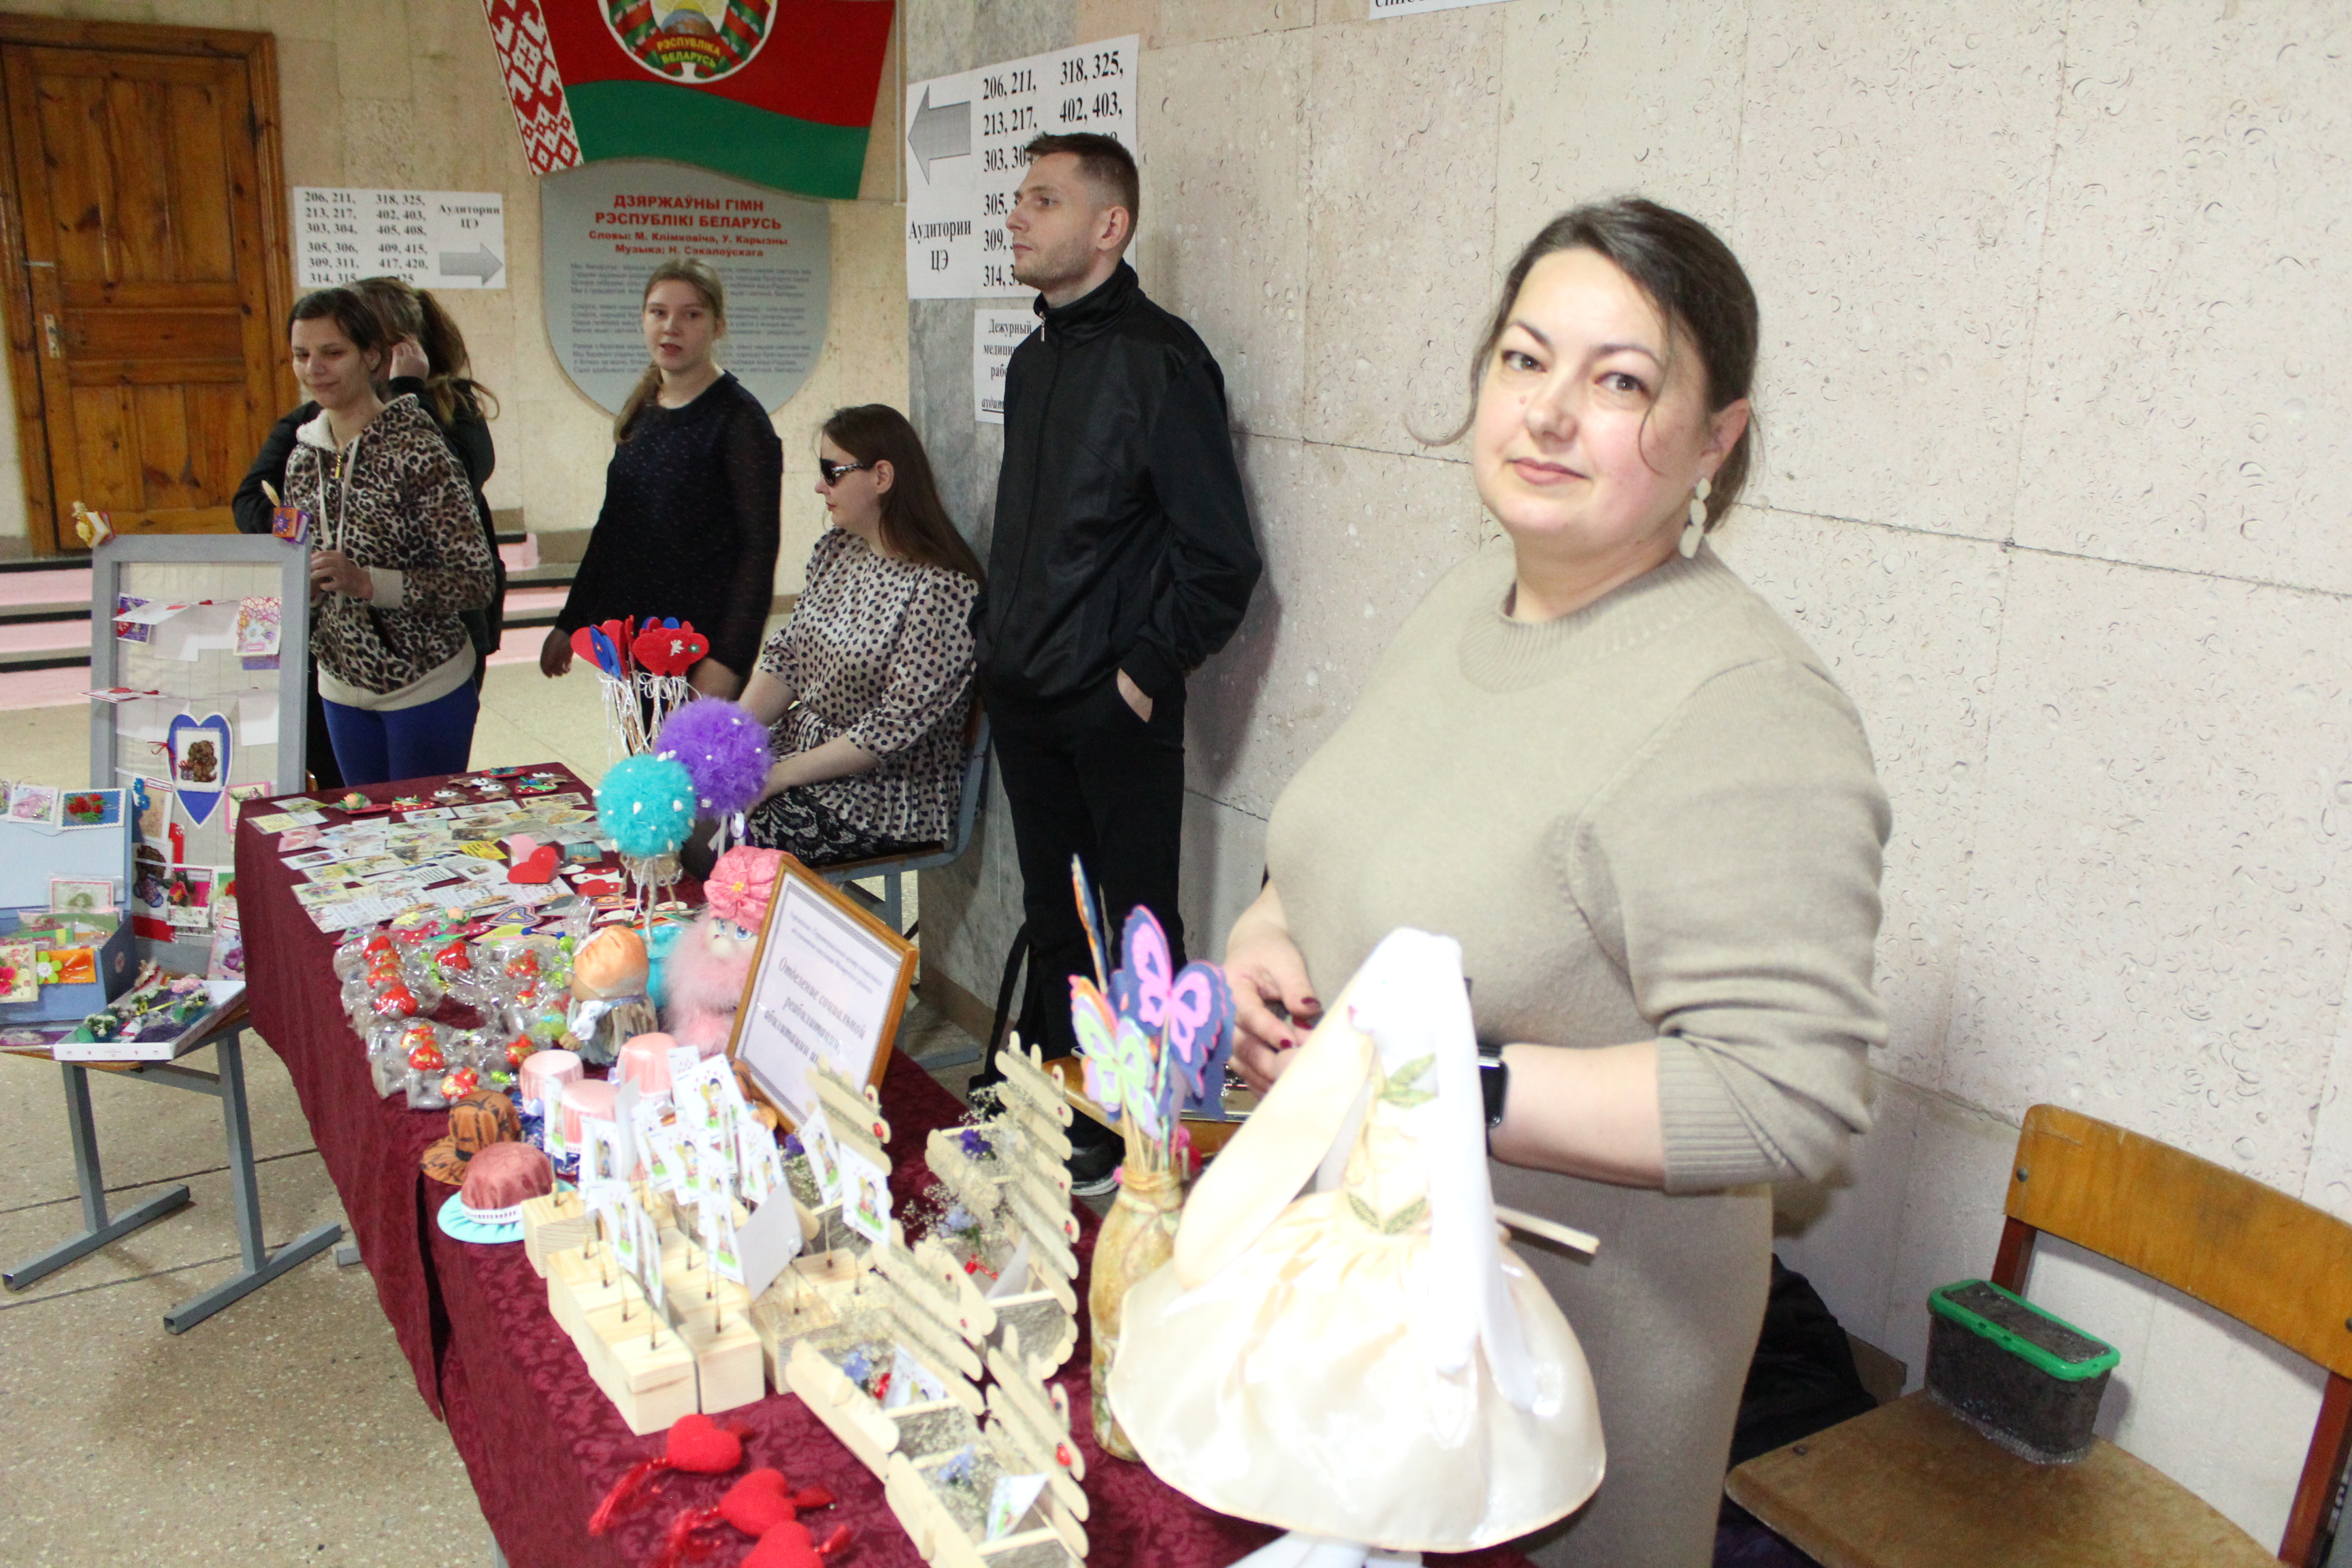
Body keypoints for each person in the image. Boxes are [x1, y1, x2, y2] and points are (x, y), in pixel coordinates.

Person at [1220, 200, 1889, 1568]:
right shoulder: (1470, 599)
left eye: (1621, 381)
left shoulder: (1742, 701)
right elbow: (1348, 845)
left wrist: (1445, 1083)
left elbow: (1788, 1095)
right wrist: (1266, 934)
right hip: (1367, 1290)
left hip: (1560, 1362)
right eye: (1524, 359)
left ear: (1716, 438)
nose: (1549, 412)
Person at [976, 131, 1261, 1188]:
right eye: (1019, 198)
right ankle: (1070, 1097)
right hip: (1023, 693)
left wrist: (1139, 675)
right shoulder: (1032, 358)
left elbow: (1221, 558)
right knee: (1056, 917)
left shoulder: (1163, 361)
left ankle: (1138, 1126)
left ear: (1110, 225)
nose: (1016, 216)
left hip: (1111, 704)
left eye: (1043, 200)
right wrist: (994, 641)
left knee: (1133, 926)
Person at [234, 278, 503, 781]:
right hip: (338, 689)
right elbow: (281, 539)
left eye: (332, 353)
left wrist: (367, 583)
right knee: (360, 823)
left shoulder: (420, 448)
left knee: (417, 825)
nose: (314, 369)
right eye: (301, 355)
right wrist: (305, 589)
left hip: (424, 686)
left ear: (373, 357)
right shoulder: (301, 457)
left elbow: (474, 581)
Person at [730, 404, 982, 866]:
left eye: (833, 472)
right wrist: (728, 740)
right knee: (690, 800)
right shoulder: (837, 549)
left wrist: (779, 776)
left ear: (882, 476)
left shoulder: (942, 589)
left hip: (886, 796)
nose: (820, 486)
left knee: (730, 836)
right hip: (805, 755)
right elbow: (788, 658)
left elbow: (890, 729)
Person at [542, 258, 782, 699]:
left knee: (685, 749)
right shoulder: (643, 408)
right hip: (634, 641)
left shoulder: (740, 421)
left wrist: (728, 661)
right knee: (642, 747)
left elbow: (758, 551)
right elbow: (612, 528)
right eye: (659, 312)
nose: (671, 327)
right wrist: (571, 620)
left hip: (700, 646)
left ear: (717, 326)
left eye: (691, 315)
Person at [351, 278, 506, 687]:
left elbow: (448, 479)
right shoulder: (334, 412)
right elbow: (255, 495)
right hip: (361, 633)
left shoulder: (455, 405)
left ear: (400, 347)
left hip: (445, 626)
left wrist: (407, 390)